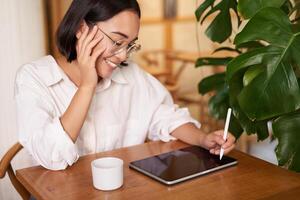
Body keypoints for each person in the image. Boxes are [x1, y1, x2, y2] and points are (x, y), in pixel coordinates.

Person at [14, 0, 235, 170]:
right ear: (81, 29)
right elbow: (51, 156)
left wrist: (203, 139)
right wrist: (87, 87)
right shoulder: (34, 78)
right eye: (117, 42)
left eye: (129, 45)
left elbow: (166, 117)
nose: (121, 56)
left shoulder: (133, 78)